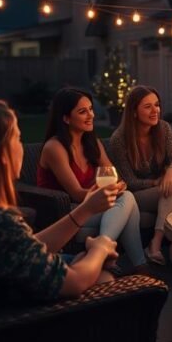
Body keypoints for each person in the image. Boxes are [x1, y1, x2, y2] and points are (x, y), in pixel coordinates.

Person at [0, 100, 121, 311]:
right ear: (2, 153)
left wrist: (85, 211)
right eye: (18, 138)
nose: (22, 145)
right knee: (103, 277)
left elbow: (21, 248)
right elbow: (73, 283)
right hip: (12, 325)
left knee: (84, 261)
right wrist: (100, 248)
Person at [38, 88, 145, 271]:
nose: (91, 115)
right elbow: (77, 194)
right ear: (66, 118)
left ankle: (124, 261)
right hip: (68, 213)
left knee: (127, 199)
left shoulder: (91, 143)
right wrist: (108, 191)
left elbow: (113, 174)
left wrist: (117, 186)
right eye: (82, 111)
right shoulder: (55, 147)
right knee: (128, 200)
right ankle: (112, 258)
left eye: (91, 109)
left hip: (92, 205)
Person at [107, 85, 172, 265]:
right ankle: (160, 244)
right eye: (148, 106)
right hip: (136, 196)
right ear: (134, 112)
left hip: (164, 189)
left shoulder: (164, 128)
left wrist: (170, 171)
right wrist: (154, 182)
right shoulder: (119, 140)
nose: (155, 111)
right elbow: (129, 181)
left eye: (157, 105)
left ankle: (170, 246)